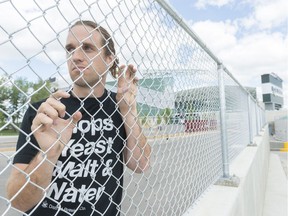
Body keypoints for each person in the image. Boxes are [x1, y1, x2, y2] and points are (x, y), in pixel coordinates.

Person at [6, 20, 151, 216]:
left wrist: (129, 110)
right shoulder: (43, 113)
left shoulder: (119, 106)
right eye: (70, 49)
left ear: (109, 59)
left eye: (87, 48)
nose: (75, 56)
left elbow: (141, 165)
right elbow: (18, 202)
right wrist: (48, 155)